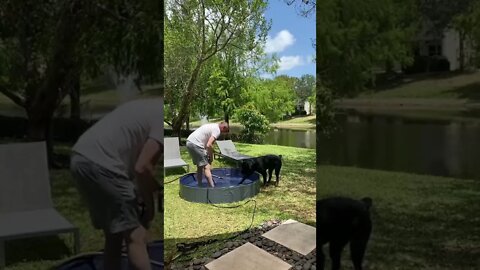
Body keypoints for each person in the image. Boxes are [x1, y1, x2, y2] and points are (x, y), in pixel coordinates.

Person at [70, 98, 163, 270]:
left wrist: (147, 190)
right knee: (136, 236)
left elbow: (140, 168)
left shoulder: (147, 107)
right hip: (103, 164)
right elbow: (142, 168)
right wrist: (150, 209)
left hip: (80, 158)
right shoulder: (162, 116)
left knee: (115, 233)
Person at [186, 121, 229, 187]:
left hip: (189, 142)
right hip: (196, 144)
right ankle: (212, 189)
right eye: (224, 132)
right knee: (207, 167)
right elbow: (209, 145)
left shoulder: (212, 125)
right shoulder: (217, 130)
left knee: (199, 166)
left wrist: (210, 152)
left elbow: (207, 145)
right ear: (223, 127)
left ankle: (199, 186)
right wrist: (211, 157)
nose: (223, 134)